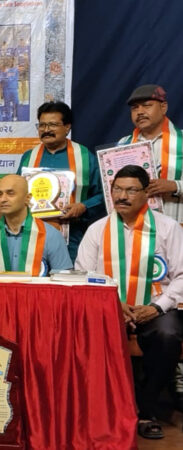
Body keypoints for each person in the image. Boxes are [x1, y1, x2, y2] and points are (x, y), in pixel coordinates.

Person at [75, 165, 183, 440]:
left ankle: (146, 409)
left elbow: (182, 275)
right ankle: (101, 411)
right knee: (81, 331)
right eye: (117, 189)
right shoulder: (97, 230)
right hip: (109, 308)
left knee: (168, 335)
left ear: (147, 193)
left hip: (156, 308)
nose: (122, 196)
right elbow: (83, 274)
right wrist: (111, 301)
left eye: (131, 190)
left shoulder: (168, 228)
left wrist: (157, 307)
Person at [17, 102, 104, 260]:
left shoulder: (84, 157)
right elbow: (17, 192)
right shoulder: (29, 157)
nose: (46, 130)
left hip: (73, 237)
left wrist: (83, 206)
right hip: (31, 235)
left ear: (67, 127)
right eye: (42, 125)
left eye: (53, 125)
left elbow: (104, 195)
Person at [0, 175, 72, 273]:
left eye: (10, 193)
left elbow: (64, 281)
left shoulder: (51, 236)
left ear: (27, 198)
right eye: (0, 194)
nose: (3, 199)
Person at [118, 84, 183, 222]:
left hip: (177, 225)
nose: (140, 112)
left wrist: (175, 186)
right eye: (135, 108)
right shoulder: (123, 144)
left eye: (147, 106)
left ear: (163, 107)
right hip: (135, 226)